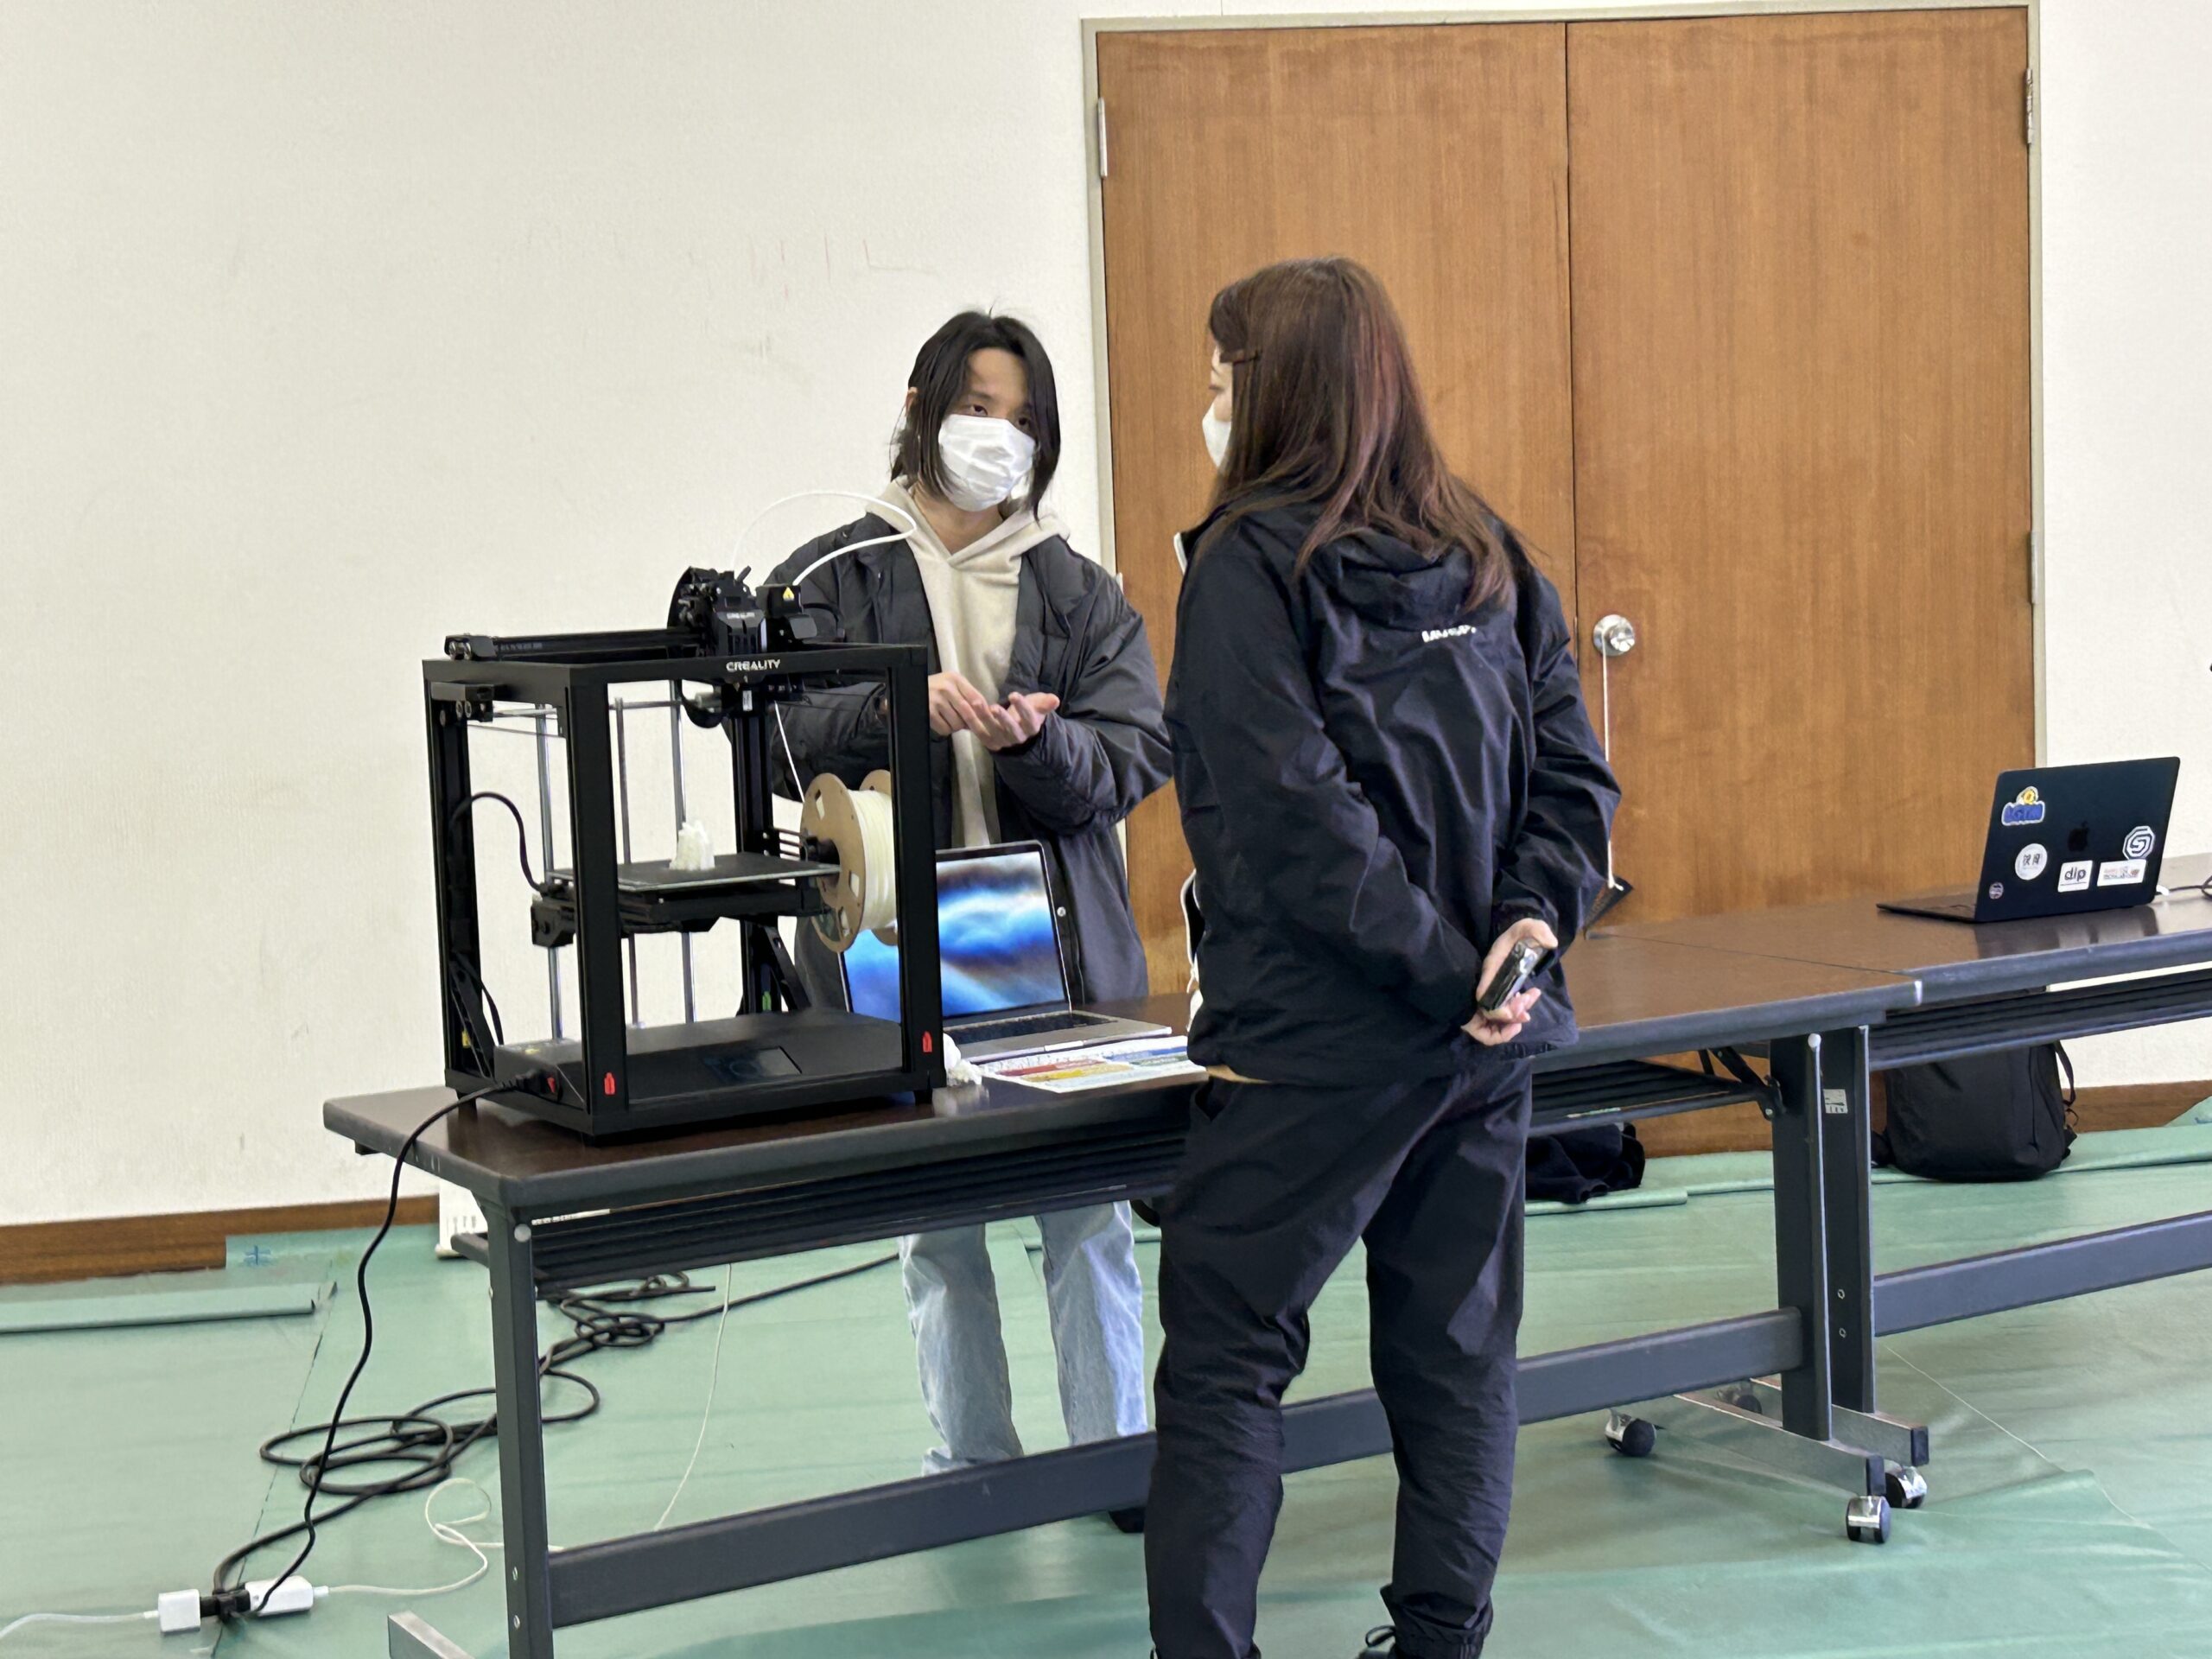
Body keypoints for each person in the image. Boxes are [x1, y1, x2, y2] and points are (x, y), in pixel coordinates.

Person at [1147, 257, 1619, 1659]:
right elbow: (1576, 789)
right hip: (1477, 1052)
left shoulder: (1246, 571)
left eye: (1222, 377)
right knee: (1456, 1360)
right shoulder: (1488, 552)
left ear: (1275, 390)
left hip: (1319, 1054)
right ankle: (1441, 1641)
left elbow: (1301, 826)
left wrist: (1467, 968)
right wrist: (1519, 946)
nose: (1210, 402)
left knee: (1230, 1360)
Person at [766, 311, 1168, 1507]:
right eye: (978, 408)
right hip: (895, 943)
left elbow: (1130, 758)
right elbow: (772, 737)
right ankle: (972, 1468)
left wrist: (1039, 742)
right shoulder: (830, 577)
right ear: (920, 406)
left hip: (1050, 945)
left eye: (1022, 418)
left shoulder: (1079, 591)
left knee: (1086, 1217)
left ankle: (1115, 1462)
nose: (1000, 435)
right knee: (937, 1228)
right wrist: (892, 709)